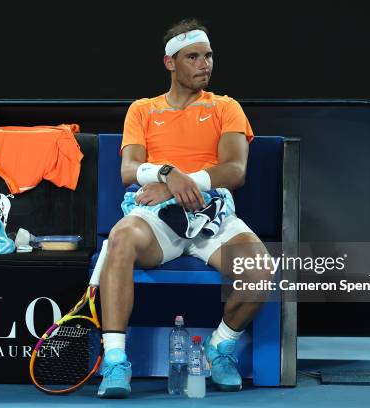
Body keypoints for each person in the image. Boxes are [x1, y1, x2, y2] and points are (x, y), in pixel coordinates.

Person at [97, 18, 273, 398]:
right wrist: (167, 174)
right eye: (193, 57)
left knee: (260, 269)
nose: (204, 64)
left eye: (208, 56)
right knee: (121, 238)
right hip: (156, 219)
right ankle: (114, 361)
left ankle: (221, 347)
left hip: (212, 214)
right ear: (170, 63)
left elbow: (235, 170)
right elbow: (129, 169)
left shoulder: (226, 107)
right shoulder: (142, 110)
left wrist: (179, 184)